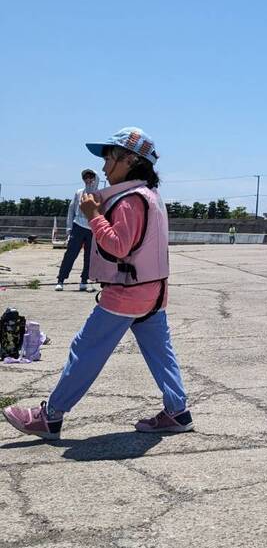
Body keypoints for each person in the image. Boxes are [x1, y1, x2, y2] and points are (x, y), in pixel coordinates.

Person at [2, 128, 193, 440]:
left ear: (130, 160)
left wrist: (93, 215)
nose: (104, 167)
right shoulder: (151, 196)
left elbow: (118, 246)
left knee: (86, 348)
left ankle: (50, 417)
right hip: (154, 292)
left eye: (110, 158)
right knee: (161, 352)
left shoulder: (130, 200)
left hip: (127, 292)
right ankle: (178, 411)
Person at [55, 169, 99, 291]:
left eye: (91, 177)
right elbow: (71, 210)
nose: (88, 180)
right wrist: (69, 229)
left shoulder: (99, 194)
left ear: (96, 179)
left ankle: (84, 281)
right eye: (86, 178)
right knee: (70, 254)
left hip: (92, 229)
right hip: (78, 226)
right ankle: (60, 280)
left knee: (89, 256)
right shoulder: (79, 192)